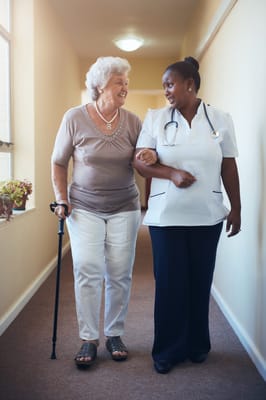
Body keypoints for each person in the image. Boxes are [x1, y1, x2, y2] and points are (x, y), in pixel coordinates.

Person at [133, 56, 241, 374]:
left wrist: (237, 207)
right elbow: (139, 162)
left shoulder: (220, 119)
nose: (166, 90)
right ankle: (167, 350)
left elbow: (229, 165)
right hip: (166, 217)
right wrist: (170, 172)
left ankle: (197, 345)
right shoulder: (155, 118)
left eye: (170, 84)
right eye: (165, 85)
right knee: (169, 285)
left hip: (207, 216)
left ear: (189, 85)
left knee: (199, 282)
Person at [51, 56, 154, 368]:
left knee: (120, 271)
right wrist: (61, 198)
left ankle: (114, 333)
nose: (125, 87)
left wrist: (149, 154)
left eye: (126, 81)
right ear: (99, 86)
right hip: (83, 207)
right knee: (87, 268)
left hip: (124, 205)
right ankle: (88, 338)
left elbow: (144, 158)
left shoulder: (134, 122)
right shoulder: (74, 118)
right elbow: (58, 162)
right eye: (118, 82)